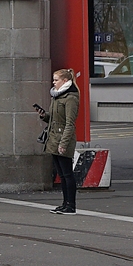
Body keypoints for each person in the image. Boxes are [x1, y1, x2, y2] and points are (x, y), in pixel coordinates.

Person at [40, 67, 80, 214]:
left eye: (56, 80)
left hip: (63, 139)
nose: (53, 82)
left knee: (67, 174)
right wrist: (44, 116)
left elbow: (70, 123)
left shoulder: (71, 98)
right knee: (61, 175)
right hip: (54, 138)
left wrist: (63, 144)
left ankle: (71, 205)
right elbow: (54, 118)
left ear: (65, 81)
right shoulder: (57, 96)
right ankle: (65, 203)